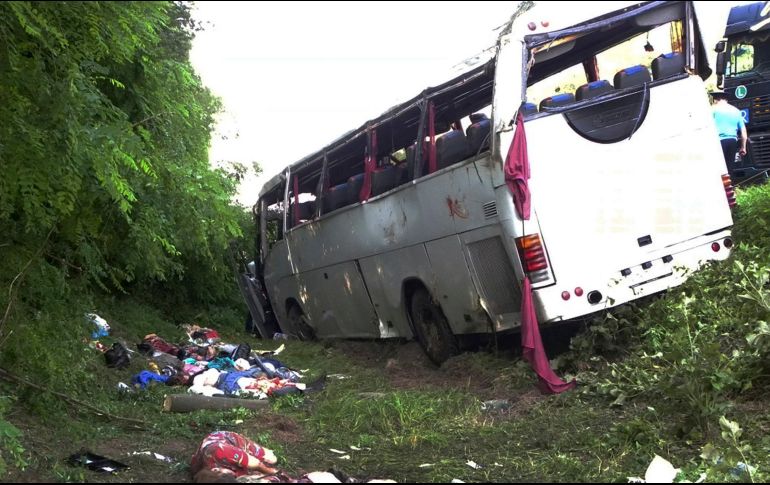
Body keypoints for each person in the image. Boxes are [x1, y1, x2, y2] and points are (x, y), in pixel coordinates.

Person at [711, 89, 747, 166]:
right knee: (729, 168)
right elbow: (743, 132)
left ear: (716, 99)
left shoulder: (713, 109)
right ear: (726, 99)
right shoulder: (736, 111)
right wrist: (743, 147)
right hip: (732, 141)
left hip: (718, 142)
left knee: (718, 168)